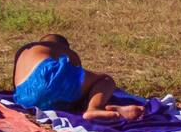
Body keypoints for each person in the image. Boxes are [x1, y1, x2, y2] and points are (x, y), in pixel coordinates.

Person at [11, 34, 144, 122]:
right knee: (104, 80)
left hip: (25, 97)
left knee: (63, 94)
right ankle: (94, 108)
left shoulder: (24, 51)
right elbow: (76, 76)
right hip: (48, 73)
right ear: (63, 46)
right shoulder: (66, 51)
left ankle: (102, 108)